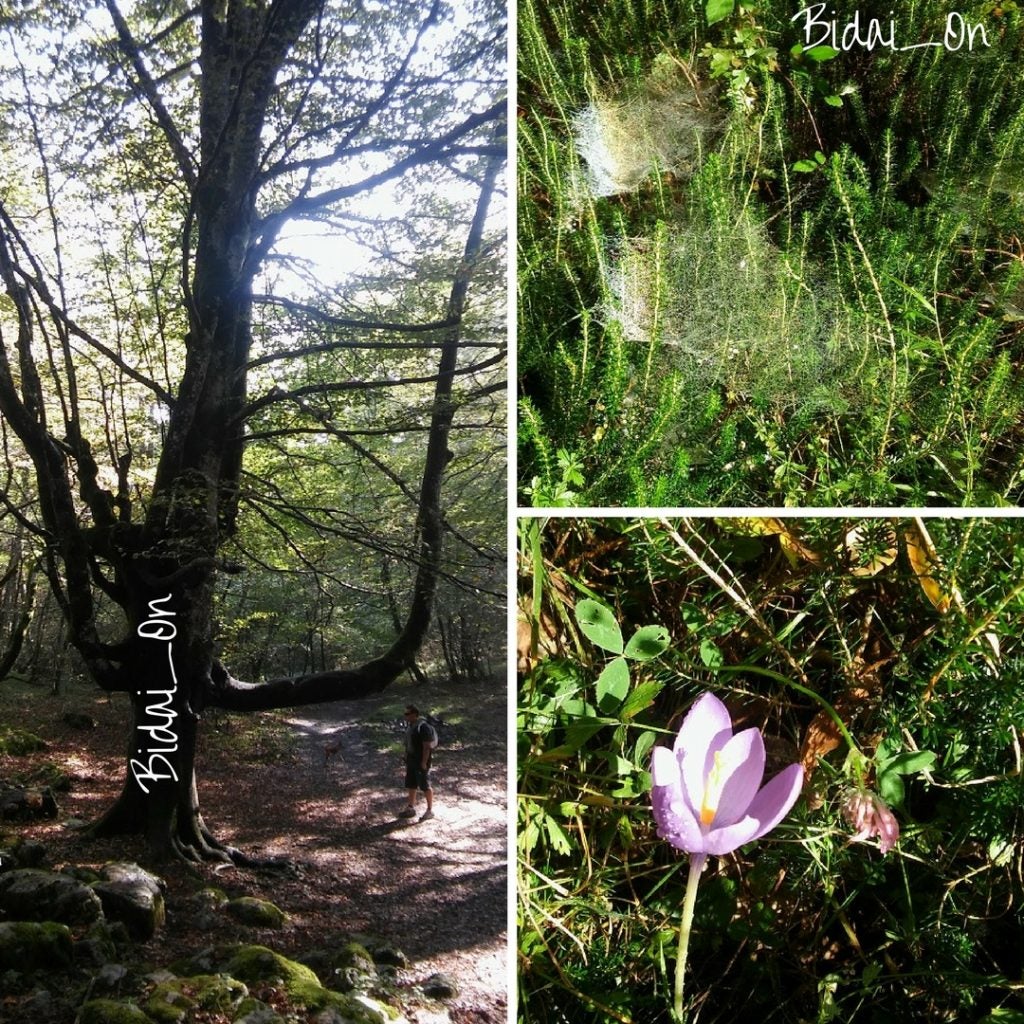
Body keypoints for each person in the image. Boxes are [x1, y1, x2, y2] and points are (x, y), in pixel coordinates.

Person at [398, 704, 434, 821]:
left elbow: (427, 746)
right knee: (411, 784)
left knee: (425, 785)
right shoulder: (410, 726)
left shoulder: (423, 727)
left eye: (407, 714)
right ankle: (410, 808)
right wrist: (405, 756)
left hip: (420, 761)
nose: (405, 716)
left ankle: (429, 810)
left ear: (414, 714)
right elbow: (407, 743)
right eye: (405, 714)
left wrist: (424, 762)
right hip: (411, 760)